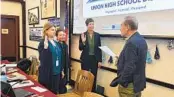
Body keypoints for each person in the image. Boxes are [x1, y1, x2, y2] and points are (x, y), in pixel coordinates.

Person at [111, 16, 147, 97]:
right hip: (137, 85)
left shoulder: (131, 43)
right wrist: (121, 59)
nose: (120, 28)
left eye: (121, 25)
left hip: (128, 86)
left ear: (127, 27)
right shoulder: (141, 40)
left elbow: (130, 67)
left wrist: (122, 82)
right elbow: (136, 61)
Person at [38, 22, 62, 94]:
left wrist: (61, 70)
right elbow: (42, 59)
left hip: (57, 72)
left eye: (54, 30)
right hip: (48, 73)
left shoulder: (56, 43)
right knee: (48, 93)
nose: (54, 31)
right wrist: (45, 48)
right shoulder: (43, 43)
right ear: (46, 31)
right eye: (52, 30)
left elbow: (60, 56)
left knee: (55, 92)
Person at [79, 18, 102, 92]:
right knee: (85, 76)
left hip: (94, 59)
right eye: (90, 24)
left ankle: (92, 92)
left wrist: (99, 60)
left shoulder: (97, 35)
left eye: (92, 24)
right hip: (85, 59)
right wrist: (83, 42)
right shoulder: (83, 35)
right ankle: (84, 91)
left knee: (93, 76)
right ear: (87, 25)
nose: (91, 25)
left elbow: (99, 49)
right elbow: (80, 48)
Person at [55, 29, 69, 94]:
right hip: (59, 68)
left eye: (64, 35)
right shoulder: (55, 45)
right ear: (56, 36)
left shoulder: (65, 45)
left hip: (64, 67)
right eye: (60, 35)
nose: (62, 36)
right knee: (59, 86)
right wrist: (61, 70)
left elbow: (66, 57)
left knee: (63, 85)